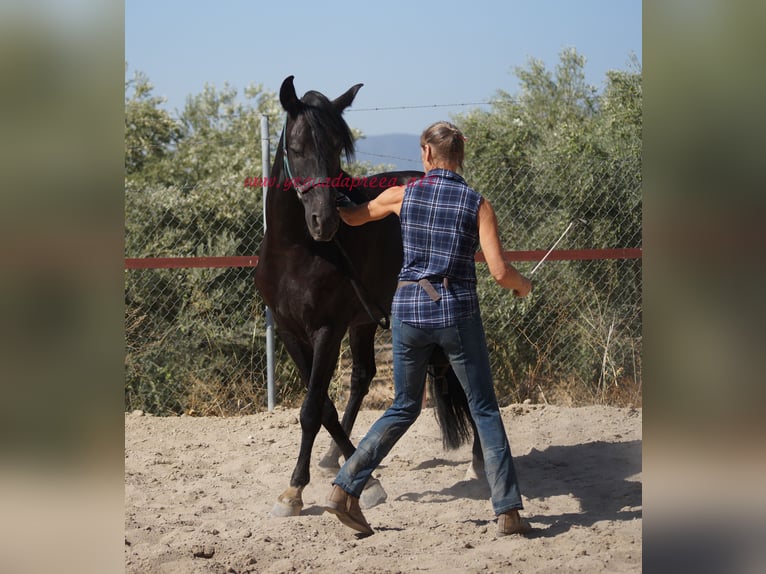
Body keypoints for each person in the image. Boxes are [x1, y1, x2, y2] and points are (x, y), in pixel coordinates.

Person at [323, 121, 533, 537]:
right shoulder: (477, 204)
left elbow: (352, 218)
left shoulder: (403, 194)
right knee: (484, 408)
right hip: (457, 315)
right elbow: (499, 272)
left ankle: (344, 488)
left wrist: (337, 195)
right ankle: (507, 509)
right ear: (460, 156)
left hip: (409, 314)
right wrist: (524, 286)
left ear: (426, 154)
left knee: (403, 406)